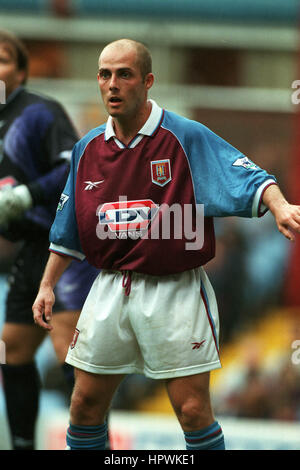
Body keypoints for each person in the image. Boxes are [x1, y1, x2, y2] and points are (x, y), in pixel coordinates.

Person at [33, 38, 300, 451]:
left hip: (175, 289)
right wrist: (48, 284)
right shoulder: (87, 148)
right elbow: (67, 226)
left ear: (148, 81)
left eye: (124, 74)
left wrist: (279, 206)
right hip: (108, 287)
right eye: (105, 74)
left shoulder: (184, 136)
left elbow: (246, 173)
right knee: (84, 405)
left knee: (193, 411)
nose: (113, 84)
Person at [0, 30, 100, 450]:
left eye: (3, 59)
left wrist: (28, 195)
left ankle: (96, 446)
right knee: (13, 348)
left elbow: (74, 164)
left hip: (64, 243)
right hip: (27, 248)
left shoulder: (40, 112)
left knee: (67, 351)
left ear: (20, 71)